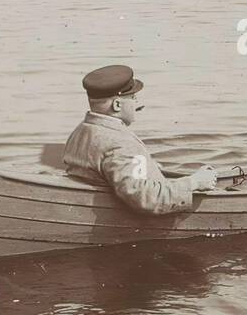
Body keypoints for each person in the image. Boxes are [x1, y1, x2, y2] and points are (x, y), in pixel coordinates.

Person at [63, 65, 218, 214]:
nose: (137, 103)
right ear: (117, 104)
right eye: (133, 97)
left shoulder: (83, 130)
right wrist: (194, 182)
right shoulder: (121, 143)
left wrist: (150, 167)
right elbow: (146, 199)